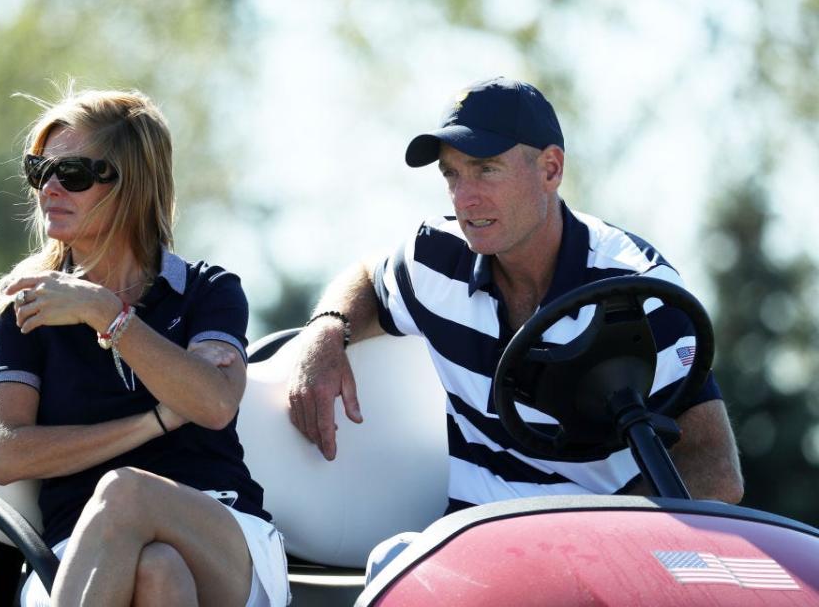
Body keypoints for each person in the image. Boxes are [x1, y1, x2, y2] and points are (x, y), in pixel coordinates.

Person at [285, 76, 743, 578]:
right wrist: (325, 332)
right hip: (472, 554)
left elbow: (716, 470)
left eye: (486, 169)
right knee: (393, 563)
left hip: (607, 563)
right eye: (452, 174)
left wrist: (595, 546)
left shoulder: (638, 289)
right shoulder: (435, 258)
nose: (465, 198)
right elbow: (368, 280)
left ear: (550, 169)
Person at [0, 88, 289, 606]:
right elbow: (7, 454)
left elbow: (211, 404)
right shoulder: (24, 308)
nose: (50, 188)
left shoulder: (209, 291)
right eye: (40, 171)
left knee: (127, 492)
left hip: (222, 535)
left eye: (73, 173)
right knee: (158, 571)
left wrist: (107, 313)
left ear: (132, 185)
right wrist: (157, 420)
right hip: (78, 551)